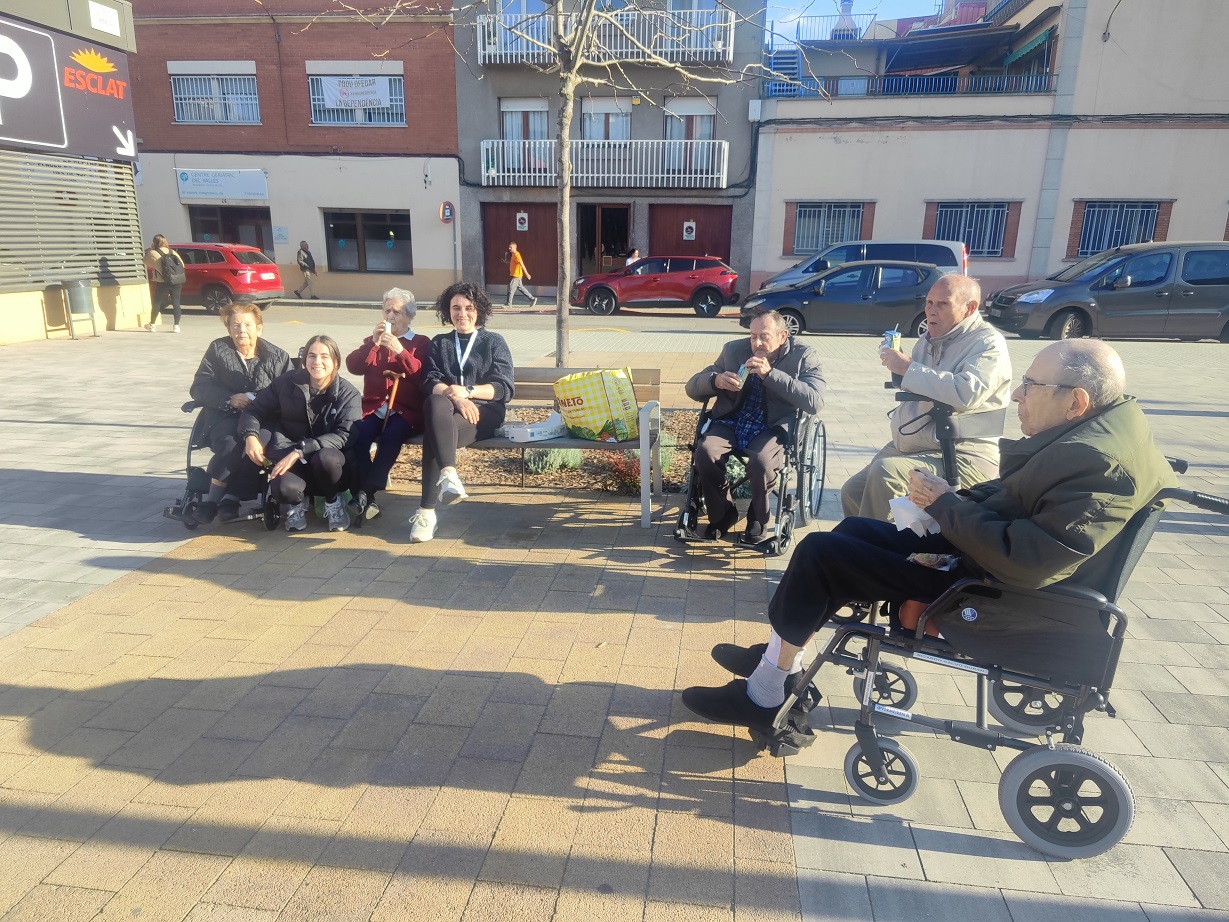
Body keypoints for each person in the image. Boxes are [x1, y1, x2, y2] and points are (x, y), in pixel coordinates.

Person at [681, 340, 1177, 733]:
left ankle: (766, 692)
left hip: (992, 589)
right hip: (988, 561)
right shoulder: (1097, 433)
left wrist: (945, 505)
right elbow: (1019, 498)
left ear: (1076, 401)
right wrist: (951, 498)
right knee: (852, 529)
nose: (1018, 395)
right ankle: (780, 661)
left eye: (1030, 385)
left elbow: (1028, 560)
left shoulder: (1095, 461)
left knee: (821, 551)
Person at [841, 274, 1012, 521]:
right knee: (853, 490)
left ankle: (872, 544)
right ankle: (862, 540)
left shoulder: (987, 343)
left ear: (970, 308)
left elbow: (967, 393)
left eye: (943, 304)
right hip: (915, 445)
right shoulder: (927, 340)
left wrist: (908, 368)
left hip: (961, 453)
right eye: (929, 303)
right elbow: (919, 381)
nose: (931, 310)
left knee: (885, 473)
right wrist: (897, 365)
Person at [684, 310, 826, 543]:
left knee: (761, 461)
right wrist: (716, 381)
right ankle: (722, 514)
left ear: (782, 336)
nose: (756, 343)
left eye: (764, 336)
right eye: (752, 336)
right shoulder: (733, 350)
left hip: (773, 425)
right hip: (732, 420)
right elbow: (692, 387)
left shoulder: (803, 355)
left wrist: (770, 375)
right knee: (705, 452)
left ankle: (758, 517)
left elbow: (815, 401)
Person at [408, 282, 515, 544]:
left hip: (485, 412)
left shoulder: (493, 342)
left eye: (469, 308)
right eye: (456, 307)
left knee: (435, 434)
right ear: (448, 310)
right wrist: (456, 398)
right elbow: (429, 380)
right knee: (434, 404)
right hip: (447, 410)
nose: (462, 313)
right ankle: (449, 474)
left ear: (479, 311)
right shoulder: (440, 343)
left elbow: (504, 388)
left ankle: (426, 512)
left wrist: (468, 391)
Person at [237, 335, 361, 532]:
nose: (317, 361)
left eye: (324, 356)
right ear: (305, 360)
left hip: (329, 466)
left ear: (335, 362)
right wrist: (250, 436)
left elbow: (345, 434)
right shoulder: (286, 383)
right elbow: (254, 410)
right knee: (282, 488)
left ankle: (333, 501)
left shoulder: (348, 393)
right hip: (290, 453)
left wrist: (301, 450)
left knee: (326, 458)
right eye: (312, 356)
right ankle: (296, 504)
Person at [188, 304, 292, 524]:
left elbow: (289, 392)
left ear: (259, 328)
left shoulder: (278, 356)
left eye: (247, 325)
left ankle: (226, 499)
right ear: (228, 329)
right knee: (230, 442)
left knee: (258, 444)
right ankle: (219, 501)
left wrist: (261, 400)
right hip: (225, 416)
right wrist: (229, 399)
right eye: (235, 325)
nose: (241, 330)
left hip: (262, 419)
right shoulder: (217, 350)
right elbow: (200, 387)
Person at [345, 288, 431, 524]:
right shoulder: (373, 341)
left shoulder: (420, 343)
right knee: (358, 436)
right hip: (374, 407)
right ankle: (368, 499)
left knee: (391, 436)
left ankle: (365, 492)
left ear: (410, 316)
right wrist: (373, 344)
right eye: (387, 311)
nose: (390, 316)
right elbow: (354, 366)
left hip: (406, 411)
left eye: (397, 312)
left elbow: (421, 374)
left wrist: (400, 351)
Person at [143, 234, 185, 333]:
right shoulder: (172, 252)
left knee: (157, 302)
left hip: (163, 281)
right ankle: (176, 326)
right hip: (176, 280)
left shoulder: (153, 253)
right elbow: (182, 265)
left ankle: (152, 325)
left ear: (154, 243)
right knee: (176, 303)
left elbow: (145, 261)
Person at [505, 241, 536, 308]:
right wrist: (507, 262)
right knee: (521, 288)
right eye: (509, 247)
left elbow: (522, 264)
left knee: (510, 288)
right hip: (516, 275)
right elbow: (514, 263)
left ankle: (509, 304)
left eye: (511, 247)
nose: (509, 248)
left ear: (515, 247)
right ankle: (532, 299)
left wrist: (527, 274)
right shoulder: (513, 254)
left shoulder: (516, 255)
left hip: (516, 276)